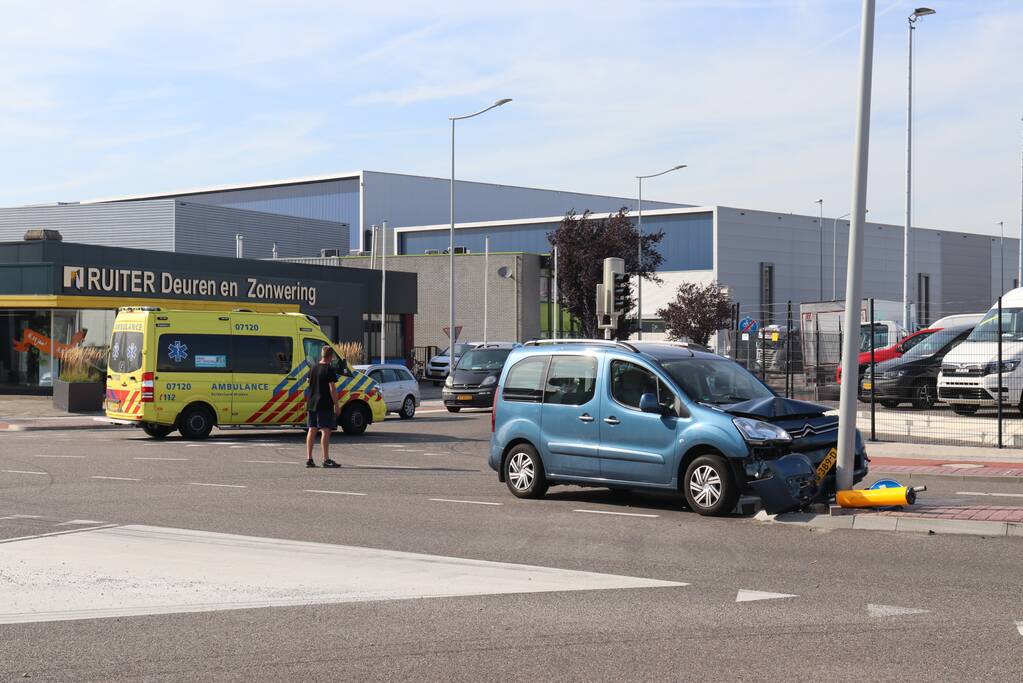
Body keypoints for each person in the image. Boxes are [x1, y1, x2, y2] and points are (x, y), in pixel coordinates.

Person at [305, 345, 341, 468]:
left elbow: (308, 384)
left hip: (312, 403)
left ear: (322, 355)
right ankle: (326, 459)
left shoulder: (313, 368)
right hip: (324, 403)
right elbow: (332, 389)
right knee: (325, 430)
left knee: (312, 429)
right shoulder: (329, 369)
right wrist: (337, 405)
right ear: (330, 356)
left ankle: (309, 459)